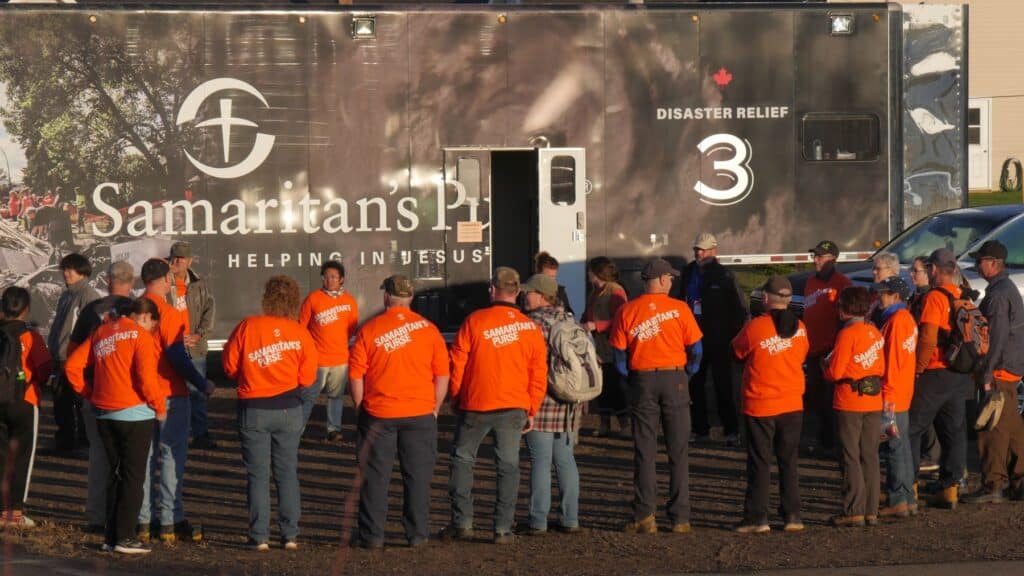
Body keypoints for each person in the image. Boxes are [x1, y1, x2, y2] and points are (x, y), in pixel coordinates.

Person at [443, 267, 547, 545]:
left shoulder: (474, 321)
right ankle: (502, 528)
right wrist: (532, 408)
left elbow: (458, 364)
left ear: (492, 289)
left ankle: (462, 522)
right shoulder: (530, 328)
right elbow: (538, 373)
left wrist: (456, 397)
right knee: (508, 467)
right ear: (518, 292)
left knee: (463, 460)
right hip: (514, 406)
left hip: (476, 403)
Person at [348, 275, 449, 548]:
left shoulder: (370, 330)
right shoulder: (429, 329)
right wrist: (435, 408)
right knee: (417, 477)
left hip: (379, 412)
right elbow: (442, 375)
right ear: (411, 298)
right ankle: (417, 534)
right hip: (419, 412)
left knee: (375, 476)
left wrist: (361, 407)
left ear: (386, 297)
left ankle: (372, 536)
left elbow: (356, 375)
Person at [222, 275, 318, 551]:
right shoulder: (300, 332)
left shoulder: (248, 326)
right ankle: (290, 535)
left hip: (254, 408)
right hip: (289, 408)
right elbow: (308, 377)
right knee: (287, 472)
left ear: (266, 297)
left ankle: (259, 536)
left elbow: (229, 367)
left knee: (258, 474)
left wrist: (253, 373)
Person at [609, 258, 703, 534]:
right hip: (675, 378)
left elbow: (618, 355)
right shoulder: (679, 308)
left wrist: (634, 376)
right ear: (661, 280)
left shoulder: (628, 310)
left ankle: (645, 515)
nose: (672, 281)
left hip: (643, 379)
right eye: (670, 278)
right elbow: (696, 349)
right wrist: (687, 373)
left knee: (645, 450)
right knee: (678, 450)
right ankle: (680, 518)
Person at [65, 297, 165, 555]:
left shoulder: (101, 332)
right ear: (146, 318)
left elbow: (72, 365)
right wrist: (160, 407)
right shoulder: (140, 336)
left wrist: (88, 392)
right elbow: (145, 377)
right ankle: (126, 536)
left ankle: (111, 535)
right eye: (154, 324)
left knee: (114, 474)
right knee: (133, 477)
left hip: (105, 413)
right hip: (135, 413)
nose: (153, 329)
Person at [137, 258, 212, 543]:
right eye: (169, 279)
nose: (171, 283)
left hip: (140, 394)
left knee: (144, 458)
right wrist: (202, 382)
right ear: (163, 281)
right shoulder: (167, 312)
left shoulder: (132, 311)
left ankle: (142, 520)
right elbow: (177, 355)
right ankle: (170, 520)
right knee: (171, 456)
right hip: (169, 391)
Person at [731, 276, 808, 534]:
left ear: (766, 298)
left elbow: (737, 352)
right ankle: (793, 515)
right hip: (792, 402)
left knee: (760, 462)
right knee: (789, 461)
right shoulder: (801, 328)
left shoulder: (756, 327)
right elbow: (802, 354)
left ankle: (757, 518)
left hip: (761, 403)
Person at [67, 261, 136, 534]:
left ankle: (97, 516)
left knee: (99, 456)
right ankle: (129, 517)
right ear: (131, 283)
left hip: (96, 391)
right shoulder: (137, 312)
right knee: (131, 459)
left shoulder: (90, 311)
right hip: (129, 395)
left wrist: (84, 389)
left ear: (108, 280)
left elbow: (73, 351)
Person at [909, 248, 973, 509]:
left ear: (934, 269)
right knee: (954, 431)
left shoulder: (935, 297)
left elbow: (928, 338)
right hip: (959, 373)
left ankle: (907, 487)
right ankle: (950, 488)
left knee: (912, 427)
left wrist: (918, 368)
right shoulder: (961, 296)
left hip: (935, 370)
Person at [521, 273, 583, 535]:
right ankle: (570, 518)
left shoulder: (531, 324)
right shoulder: (568, 319)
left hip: (541, 400)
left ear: (542, 295)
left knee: (540, 461)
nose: (525, 295)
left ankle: (538, 520)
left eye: (529, 292)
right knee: (565, 460)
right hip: (567, 400)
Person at [964, 240, 1024, 503]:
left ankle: (993, 485)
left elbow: (996, 338)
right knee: (1011, 427)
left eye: (980, 261)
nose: (977, 265)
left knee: (991, 426)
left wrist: (987, 373)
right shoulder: (1006, 289)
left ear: (994, 263)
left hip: (999, 369)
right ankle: (1019, 481)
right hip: (1011, 366)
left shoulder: (999, 295)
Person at [824, 286, 885, 527]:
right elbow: (881, 366)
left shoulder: (847, 334)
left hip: (850, 399)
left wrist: (824, 368)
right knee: (870, 455)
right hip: (873, 398)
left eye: (840, 305)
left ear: (847, 308)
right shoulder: (874, 331)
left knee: (850, 455)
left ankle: (853, 509)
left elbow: (836, 371)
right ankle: (872, 509)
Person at [682, 232, 748, 445]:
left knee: (723, 386)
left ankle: (731, 431)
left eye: (702, 250)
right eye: (696, 250)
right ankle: (700, 430)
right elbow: (678, 300)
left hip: (719, 340)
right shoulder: (688, 272)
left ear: (713, 251)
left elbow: (739, 308)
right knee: (695, 385)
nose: (698, 253)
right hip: (693, 338)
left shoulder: (724, 275)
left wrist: (733, 337)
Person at [0, 286, 52, 528]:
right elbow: (43, 369)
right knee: (21, 458)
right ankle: (15, 513)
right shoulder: (31, 337)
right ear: (26, 309)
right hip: (24, 400)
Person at [873, 276, 919, 518]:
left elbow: (892, 362)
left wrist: (886, 396)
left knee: (894, 446)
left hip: (893, 394)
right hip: (902, 392)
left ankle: (898, 497)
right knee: (901, 446)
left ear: (896, 296)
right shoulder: (906, 319)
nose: (879, 296)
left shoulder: (897, 322)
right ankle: (906, 497)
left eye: (884, 292)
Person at [297, 260, 358, 442]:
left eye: (334, 277)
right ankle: (296, 431)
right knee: (308, 397)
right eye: (326, 277)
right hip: (317, 360)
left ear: (342, 280)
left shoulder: (348, 300)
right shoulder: (313, 298)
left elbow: (352, 328)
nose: (330, 280)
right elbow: (302, 327)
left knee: (336, 396)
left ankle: (334, 430)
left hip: (340, 359)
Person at [802, 240, 853, 457]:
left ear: (833, 259)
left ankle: (831, 443)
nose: (816, 260)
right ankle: (820, 440)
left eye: (820, 257)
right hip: (811, 349)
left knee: (829, 399)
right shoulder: (810, 282)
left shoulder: (842, 283)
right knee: (813, 396)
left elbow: (847, 318)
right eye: (815, 256)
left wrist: (837, 349)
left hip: (831, 350)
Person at [167, 242, 217, 450]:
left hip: (194, 347)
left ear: (189, 261)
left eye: (181, 258)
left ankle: (200, 434)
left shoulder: (199, 284)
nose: (177, 262)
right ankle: (170, 433)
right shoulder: (163, 283)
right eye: (174, 257)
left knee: (198, 392)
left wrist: (199, 335)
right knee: (170, 393)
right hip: (170, 347)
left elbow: (209, 312)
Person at [48, 252, 101, 453]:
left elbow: (92, 330)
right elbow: (59, 328)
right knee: (61, 403)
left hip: (76, 359)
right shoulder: (66, 295)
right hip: (60, 357)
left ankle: (85, 443)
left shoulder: (88, 295)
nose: (66, 273)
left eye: (70, 269)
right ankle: (65, 442)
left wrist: (82, 357)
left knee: (81, 403)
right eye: (64, 269)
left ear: (82, 271)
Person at [582, 256, 629, 437]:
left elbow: (622, 320)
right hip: (598, 348)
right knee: (601, 387)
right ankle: (604, 424)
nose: (587, 274)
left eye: (589, 270)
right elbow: (587, 315)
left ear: (596, 273)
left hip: (612, 348)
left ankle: (624, 425)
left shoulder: (615, 292)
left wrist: (597, 326)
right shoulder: (594, 292)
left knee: (614, 386)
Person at [907, 255, 941, 473]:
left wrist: (919, 366)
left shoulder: (930, 298)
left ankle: (932, 454)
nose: (911, 274)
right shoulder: (917, 296)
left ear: (929, 272)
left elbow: (928, 336)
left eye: (916, 271)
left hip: (928, 363)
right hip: (919, 361)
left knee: (924, 413)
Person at [534, 251, 573, 316]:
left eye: (553, 276)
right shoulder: (528, 291)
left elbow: (570, 313)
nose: (550, 280)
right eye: (547, 277)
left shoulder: (560, 291)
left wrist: (564, 313)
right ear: (538, 272)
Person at [868, 252, 900, 326]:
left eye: (878, 269)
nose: (874, 272)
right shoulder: (874, 291)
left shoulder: (895, 293)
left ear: (892, 270)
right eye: (873, 268)